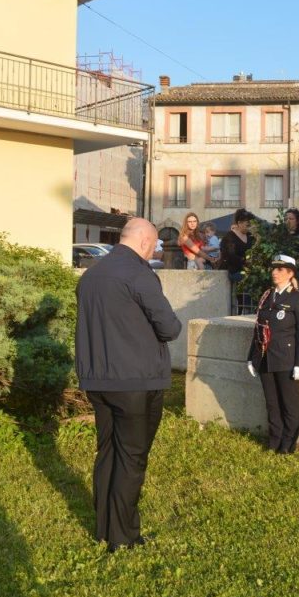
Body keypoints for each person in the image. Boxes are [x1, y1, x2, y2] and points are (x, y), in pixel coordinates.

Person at [75, 218, 182, 552]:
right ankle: (123, 537)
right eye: (154, 244)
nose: (153, 250)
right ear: (146, 241)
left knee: (108, 451)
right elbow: (170, 328)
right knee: (132, 457)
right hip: (136, 381)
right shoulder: (139, 274)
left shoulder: (91, 275)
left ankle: (105, 528)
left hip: (99, 379)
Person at [246, 254, 299, 454]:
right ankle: (274, 441)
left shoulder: (298, 298)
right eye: (274, 268)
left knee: (289, 404)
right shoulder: (267, 296)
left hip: (286, 359)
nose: (275, 272)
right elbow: (259, 328)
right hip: (265, 357)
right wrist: (251, 357)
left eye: (280, 269)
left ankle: (287, 445)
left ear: (290, 273)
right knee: (272, 403)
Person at [219, 209, 256, 313]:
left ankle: (250, 308)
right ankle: (247, 309)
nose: (249, 227)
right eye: (247, 225)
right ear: (239, 223)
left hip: (246, 269)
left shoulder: (250, 236)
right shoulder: (229, 237)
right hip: (233, 269)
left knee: (256, 278)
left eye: (250, 225)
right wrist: (245, 262)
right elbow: (229, 256)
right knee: (249, 279)